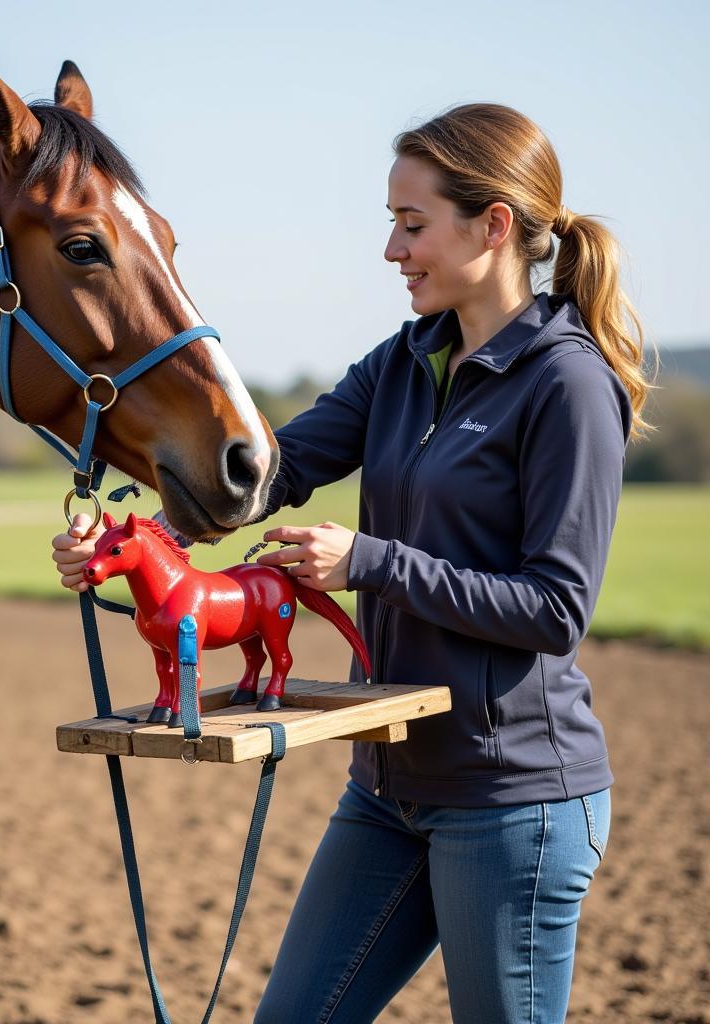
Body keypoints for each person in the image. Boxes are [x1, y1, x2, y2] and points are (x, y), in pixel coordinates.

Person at [51, 103, 649, 1023]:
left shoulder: (568, 385)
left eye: (412, 225)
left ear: (493, 226)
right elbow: (264, 478)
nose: (391, 250)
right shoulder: (403, 362)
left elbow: (554, 609)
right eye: (392, 225)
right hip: (386, 787)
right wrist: (126, 542)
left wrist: (370, 560)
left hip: (511, 802)